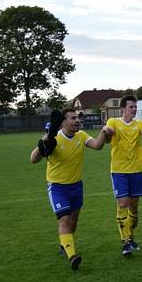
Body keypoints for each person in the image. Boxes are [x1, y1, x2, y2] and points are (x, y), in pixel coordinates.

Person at [30, 108, 109, 270]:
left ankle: (64, 244)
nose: (77, 120)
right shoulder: (54, 138)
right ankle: (72, 256)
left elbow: (98, 146)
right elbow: (33, 159)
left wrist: (104, 132)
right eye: (73, 118)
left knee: (73, 223)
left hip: (76, 186)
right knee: (64, 220)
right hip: (57, 187)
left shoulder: (81, 135)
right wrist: (43, 143)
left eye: (78, 117)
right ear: (63, 122)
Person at [103, 95, 142, 256]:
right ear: (122, 109)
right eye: (131, 107)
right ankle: (125, 242)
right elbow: (107, 140)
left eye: (135, 107)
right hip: (119, 171)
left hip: (136, 170)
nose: (134, 109)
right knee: (122, 204)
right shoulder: (113, 122)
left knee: (134, 208)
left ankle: (131, 236)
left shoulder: (140, 124)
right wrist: (107, 132)